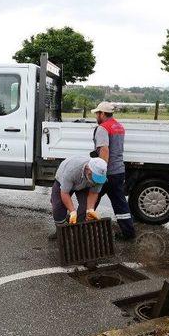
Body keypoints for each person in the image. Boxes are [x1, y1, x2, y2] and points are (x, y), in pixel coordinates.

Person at [91, 101, 136, 240]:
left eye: (98, 113)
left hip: (107, 172)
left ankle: (77, 228)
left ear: (103, 114)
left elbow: (104, 149)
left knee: (91, 199)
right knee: (120, 203)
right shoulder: (119, 126)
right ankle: (129, 233)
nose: (96, 116)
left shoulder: (103, 128)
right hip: (118, 171)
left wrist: (101, 171)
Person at [51, 157, 107, 229]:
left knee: (85, 207)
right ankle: (60, 230)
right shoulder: (71, 171)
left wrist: (90, 209)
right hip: (65, 179)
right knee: (58, 206)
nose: (96, 182)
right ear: (88, 170)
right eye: (95, 178)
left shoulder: (101, 175)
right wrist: (72, 211)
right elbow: (65, 193)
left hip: (85, 183)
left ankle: (78, 230)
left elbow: (94, 193)